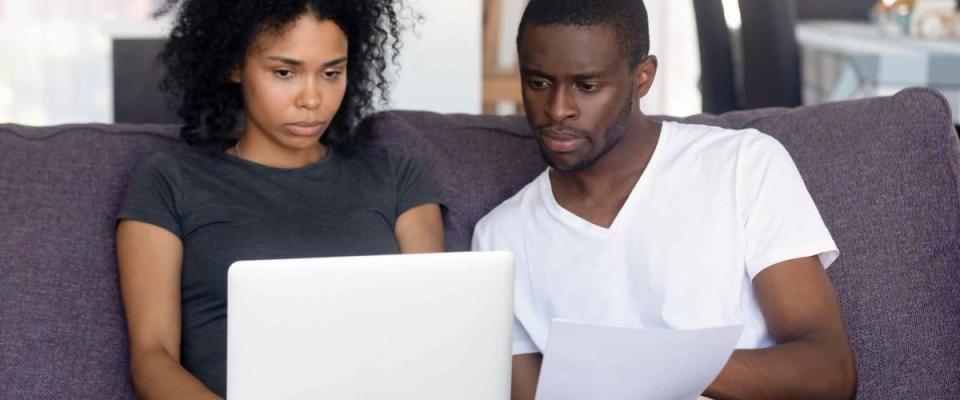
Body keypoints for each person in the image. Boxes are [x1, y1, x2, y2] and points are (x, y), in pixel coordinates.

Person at [471, 1, 857, 399]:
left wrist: (649, 364)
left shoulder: (743, 165)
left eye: (586, 86)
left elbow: (830, 372)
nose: (557, 109)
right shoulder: (501, 238)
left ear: (642, 78)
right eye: (538, 83)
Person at [116, 1, 443, 398]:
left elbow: (430, 339)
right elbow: (153, 357)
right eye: (285, 72)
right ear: (235, 65)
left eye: (331, 73)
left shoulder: (395, 177)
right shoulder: (169, 181)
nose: (312, 98)